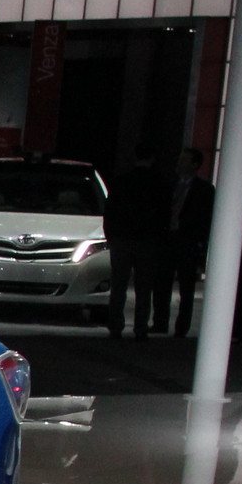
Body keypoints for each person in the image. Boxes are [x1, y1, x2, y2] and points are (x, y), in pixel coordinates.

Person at [103, 145, 172, 341]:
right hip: (147, 240)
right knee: (144, 287)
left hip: (122, 239)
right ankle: (140, 327)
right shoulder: (159, 183)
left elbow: (110, 210)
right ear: (152, 158)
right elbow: (164, 215)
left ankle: (115, 325)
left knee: (119, 285)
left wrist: (111, 236)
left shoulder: (122, 181)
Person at [163, 146, 217, 338]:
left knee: (186, 287)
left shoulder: (205, 190)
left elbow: (205, 218)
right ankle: (160, 321)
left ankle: (182, 326)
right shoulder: (170, 185)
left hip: (188, 241)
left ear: (195, 164)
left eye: (184, 160)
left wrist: (200, 241)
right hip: (168, 238)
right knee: (162, 281)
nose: (179, 163)